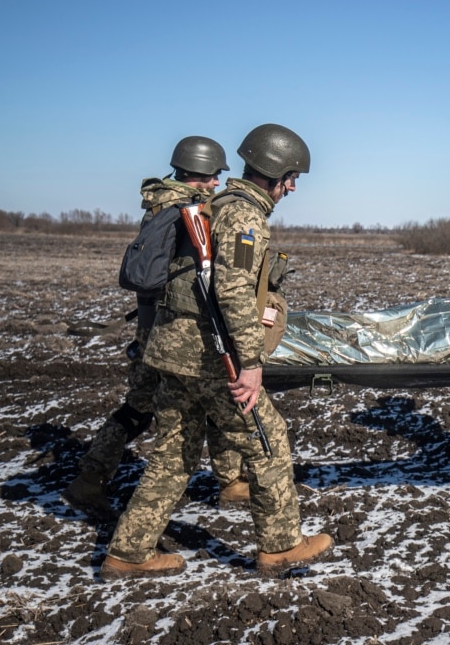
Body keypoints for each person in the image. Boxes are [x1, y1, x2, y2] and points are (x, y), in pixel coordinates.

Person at [99, 123, 332, 579]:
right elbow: (234, 293)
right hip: (211, 358)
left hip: (170, 350)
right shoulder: (244, 216)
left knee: (173, 455)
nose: (293, 186)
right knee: (269, 442)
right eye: (291, 177)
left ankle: (128, 552)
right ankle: (282, 546)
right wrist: (250, 364)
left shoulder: (212, 204)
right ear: (273, 173)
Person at [63, 136, 249, 522]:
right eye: (214, 176)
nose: (217, 183)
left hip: (152, 326)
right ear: (198, 174)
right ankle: (90, 479)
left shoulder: (157, 204)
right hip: (174, 332)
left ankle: (228, 481)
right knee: (194, 402)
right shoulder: (190, 211)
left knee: (146, 407)